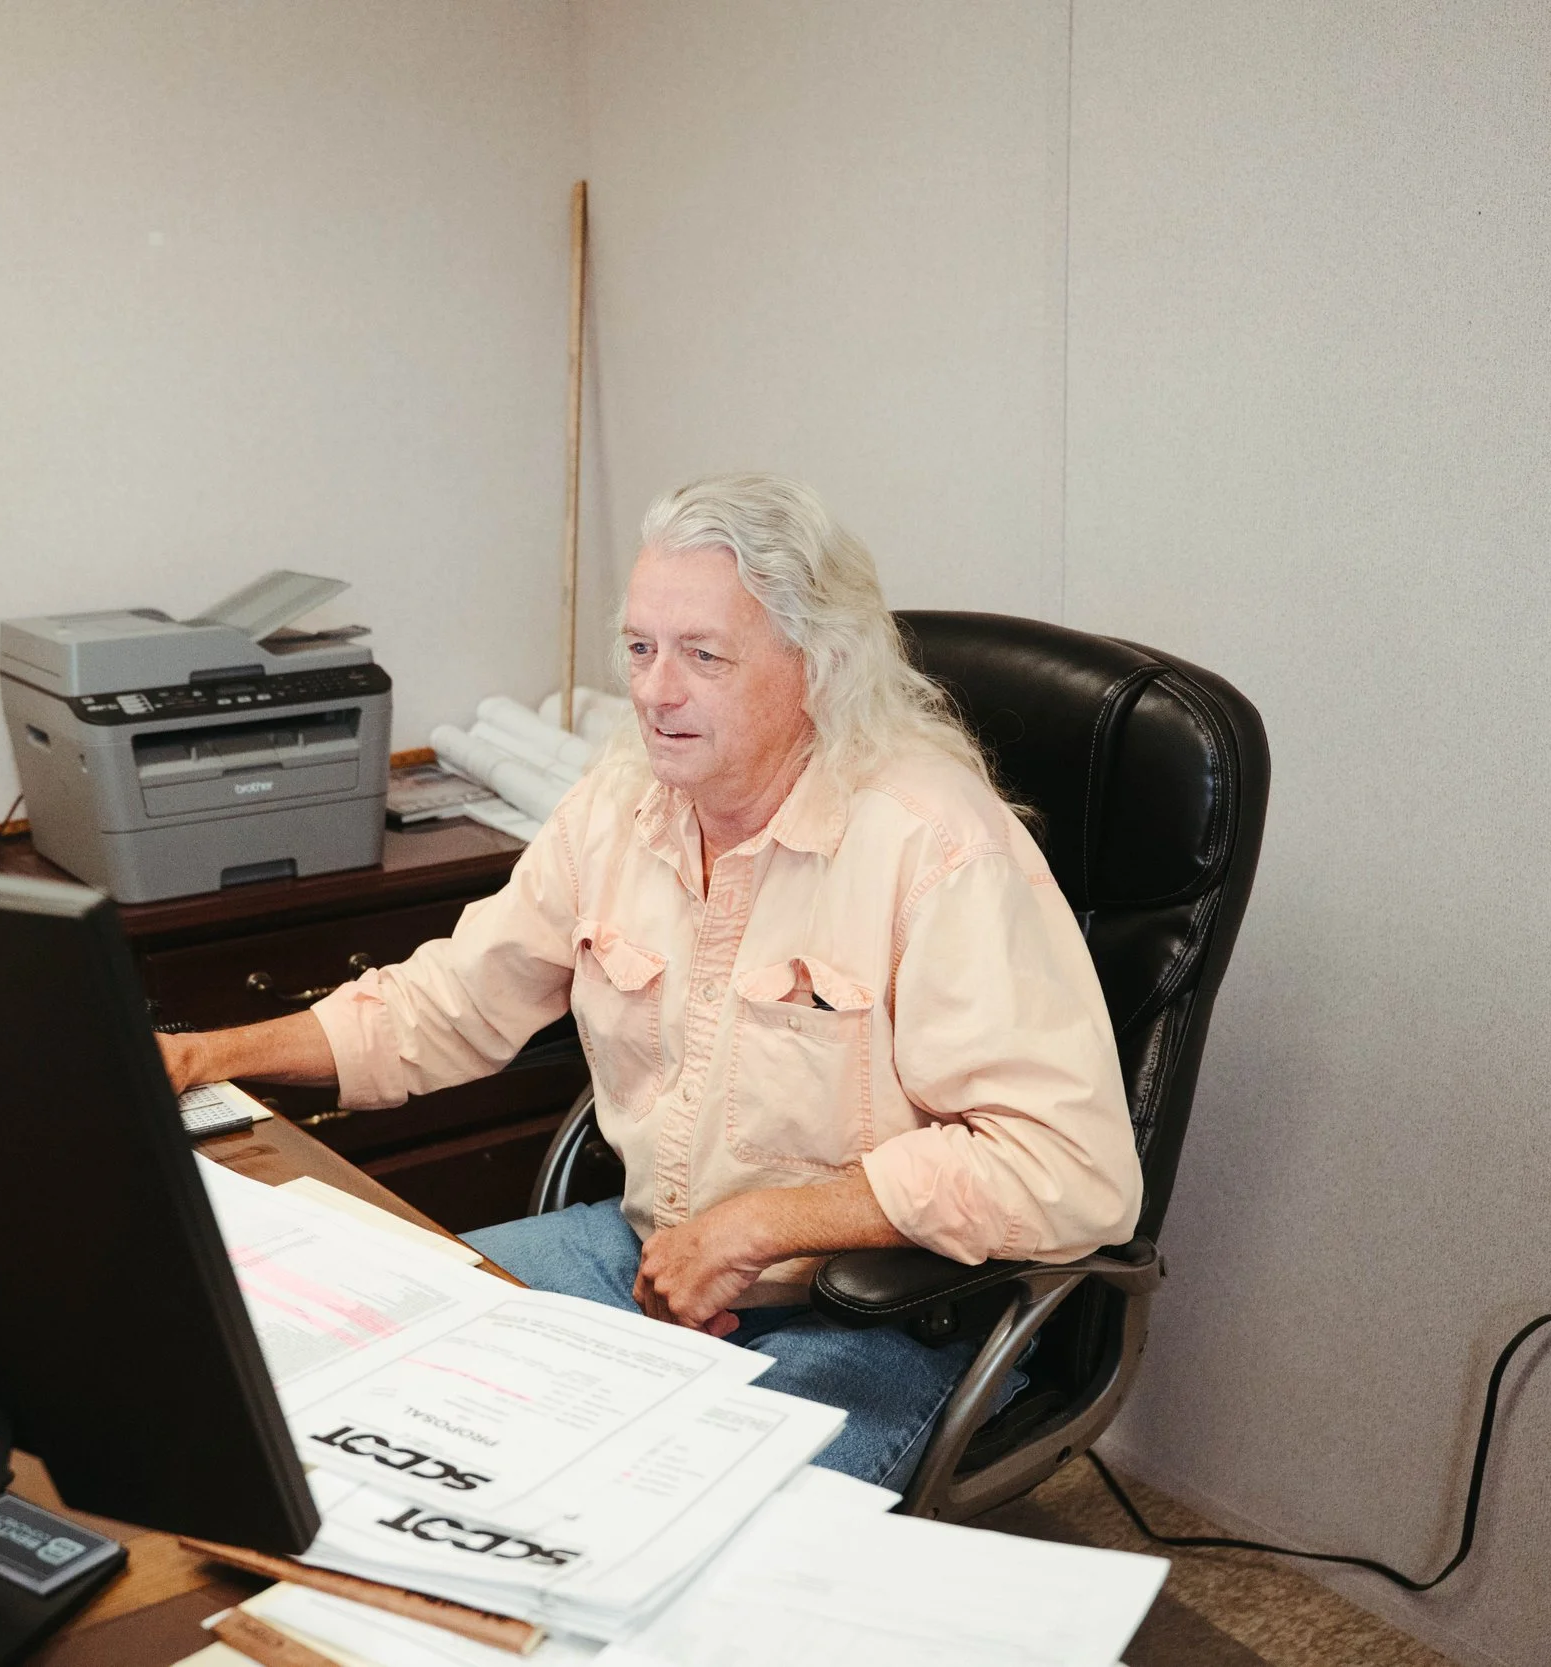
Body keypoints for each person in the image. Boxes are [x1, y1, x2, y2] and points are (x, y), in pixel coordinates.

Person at [157, 474, 1141, 1490]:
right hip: (646, 1251)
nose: (655, 691)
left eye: (702, 655)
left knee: (659, 1530)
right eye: (640, 647)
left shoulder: (933, 843)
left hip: (883, 1311)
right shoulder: (622, 798)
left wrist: (756, 1226)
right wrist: (204, 1054)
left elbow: (1068, 1169)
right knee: (359, 1365)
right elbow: (446, 1001)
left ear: (817, 665)